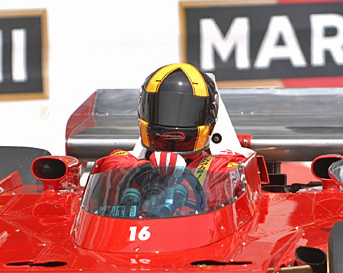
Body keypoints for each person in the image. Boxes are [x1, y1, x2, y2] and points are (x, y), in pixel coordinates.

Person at [92, 63, 249, 216]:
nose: (173, 123)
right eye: (164, 110)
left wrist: (184, 178)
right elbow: (109, 166)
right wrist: (146, 170)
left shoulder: (221, 166)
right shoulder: (123, 161)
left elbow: (235, 171)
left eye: (187, 112)